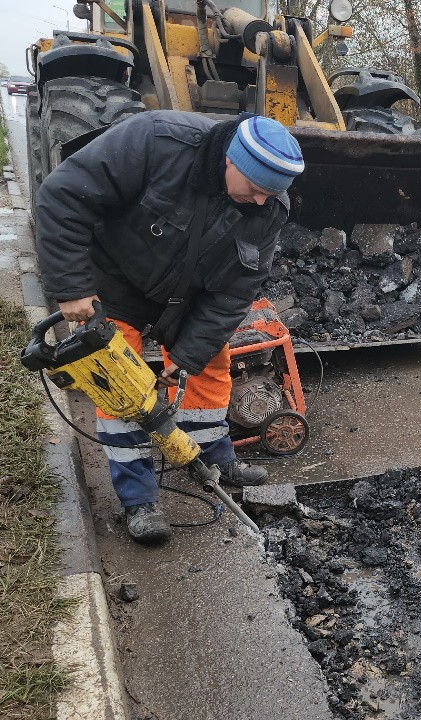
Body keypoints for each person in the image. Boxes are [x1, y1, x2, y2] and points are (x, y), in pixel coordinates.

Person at [34, 110, 305, 543]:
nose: (261, 202)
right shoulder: (158, 141)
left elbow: (235, 292)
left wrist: (183, 359)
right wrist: (70, 289)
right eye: (255, 190)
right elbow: (64, 196)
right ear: (230, 161)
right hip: (117, 283)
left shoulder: (268, 206)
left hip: (190, 297)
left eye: (271, 195)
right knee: (123, 391)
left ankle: (213, 462)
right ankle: (139, 499)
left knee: (209, 369)